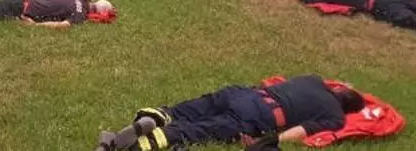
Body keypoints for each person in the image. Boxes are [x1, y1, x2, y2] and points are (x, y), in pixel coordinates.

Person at [94, 74, 366, 151]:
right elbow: (302, 130)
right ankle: (147, 141)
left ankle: (156, 116)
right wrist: (270, 141)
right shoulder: (335, 117)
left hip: (244, 94)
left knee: (191, 108)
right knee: (202, 129)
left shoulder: (313, 80)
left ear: (339, 89)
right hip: (262, 115)